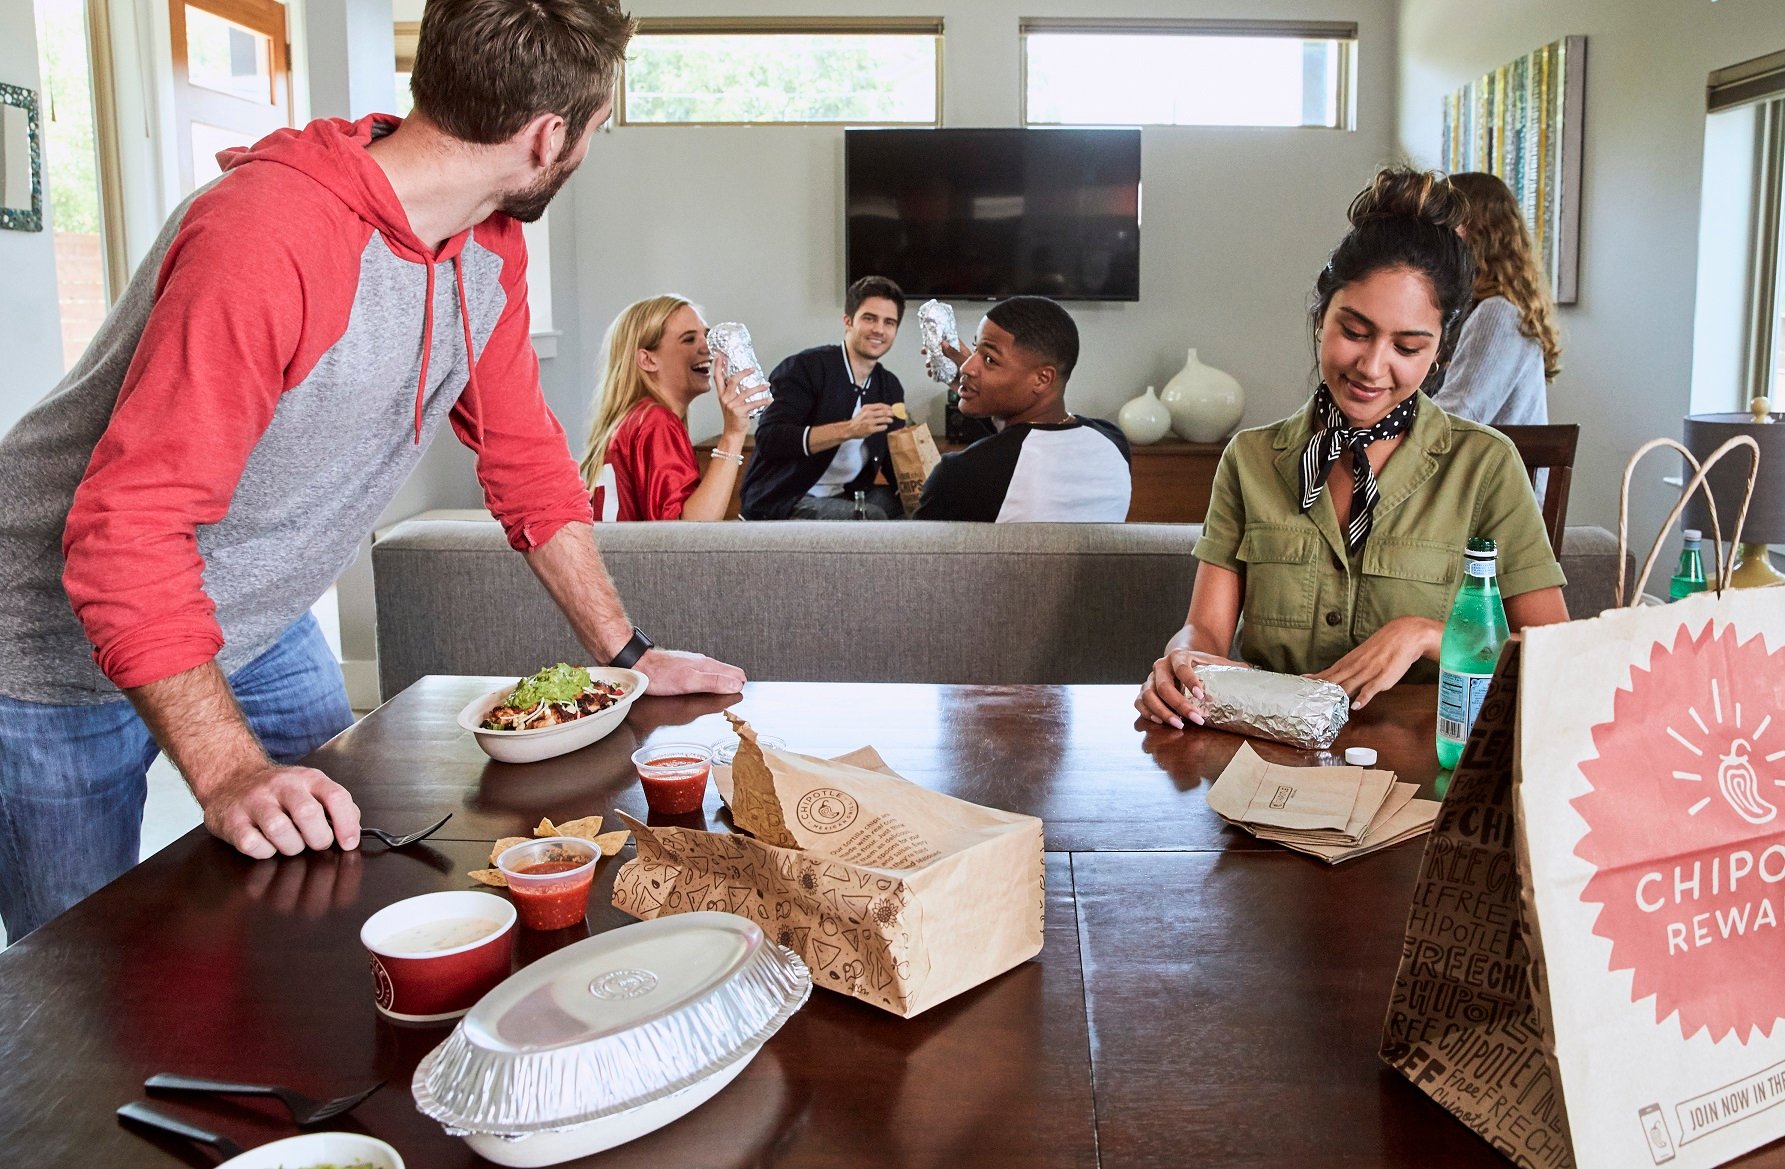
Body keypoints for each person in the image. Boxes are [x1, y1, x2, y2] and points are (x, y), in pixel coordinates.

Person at [0, 0, 744, 942]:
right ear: (549, 134)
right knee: (79, 973)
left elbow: (525, 465)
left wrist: (629, 659)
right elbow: (125, 533)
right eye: (595, 130)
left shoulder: (487, 246)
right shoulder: (265, 237)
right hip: (46, 642)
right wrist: (229, 772)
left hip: (260, 620)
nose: (586, 150)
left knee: (346, 878)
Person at [1135, 169, 1569, 730]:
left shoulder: (1485, 466)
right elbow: (1207, 632)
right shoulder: (1250, 459)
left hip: (1422, 771)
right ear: (1321, 320)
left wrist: (1428, 636)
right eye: (1356, 332)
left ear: (1438, 353)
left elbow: (1558, 654)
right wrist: (1183, 660)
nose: (1371, 367)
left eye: (1408, 346)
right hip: (1269, 762)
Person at [914, 296, 1130, 523]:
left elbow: (916, 556)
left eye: (989, 359)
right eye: (976, 349)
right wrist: (974, 384)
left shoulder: (960, 475)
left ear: (1042, 379)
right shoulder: (1113, 442)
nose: (967, 366)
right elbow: (1025, 441)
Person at [739, 276, 908, 520]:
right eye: (869, 318)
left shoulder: (889, 386)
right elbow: (770, 438)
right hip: (788, 497)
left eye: (889, 322)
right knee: (873, 517)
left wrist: (923, 494)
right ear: (848, 321)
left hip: (849, 493)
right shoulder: (803, 368)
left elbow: (893, 460)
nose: (879, 330)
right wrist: (850, 429)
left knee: (918, 510)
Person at [579, 296, 757, 520]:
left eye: (706, 335)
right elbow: (686, 537)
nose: (707, 348)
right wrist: (732, 435)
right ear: (647, 360)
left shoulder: (635, 418)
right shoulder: (656, 422)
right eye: (689, 339)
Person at [1426, 171, 1562, 426]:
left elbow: (1458, 416)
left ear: (1474, 228)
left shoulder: (1498, 313)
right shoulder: (1482, 310)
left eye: (1445, 221)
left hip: (1489, 466)